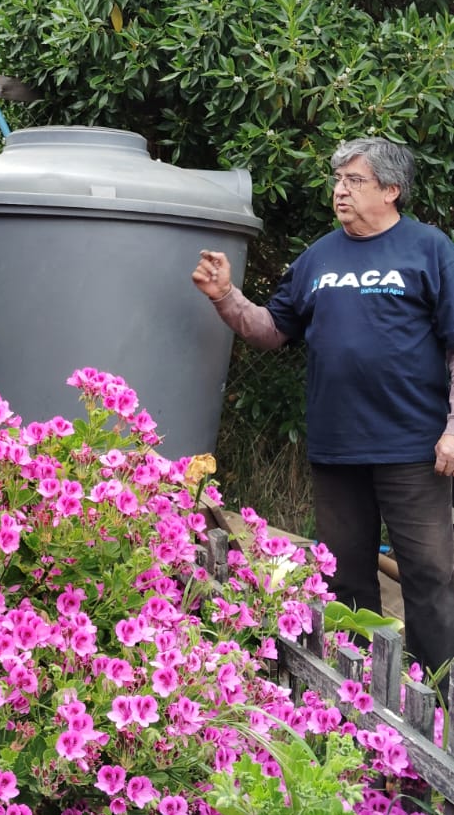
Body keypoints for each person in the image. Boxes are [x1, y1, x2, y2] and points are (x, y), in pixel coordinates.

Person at [192, 137, 454, 673]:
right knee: (345, 575)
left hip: (414, 447)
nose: (340, 191)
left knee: (430, 573)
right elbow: (272, 329)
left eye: (355, 181)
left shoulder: (430, 249)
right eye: (338, 180)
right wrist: (226, 296)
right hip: (337, 447)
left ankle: (440, 695)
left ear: (391, 189)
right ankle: (362, 692)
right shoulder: (319, 256)